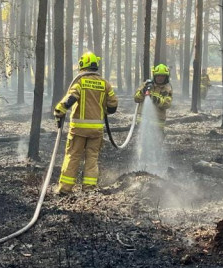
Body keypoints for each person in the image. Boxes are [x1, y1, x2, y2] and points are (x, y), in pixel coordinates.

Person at [53, 52, 118, 195]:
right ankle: (88, 189)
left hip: (79, 130)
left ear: (82, 65)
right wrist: (104, 110)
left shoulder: (80, 82)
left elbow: (71, 98)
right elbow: (113, 105)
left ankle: (65, 189)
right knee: (92, 157)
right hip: (96, 131)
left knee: (73, 156)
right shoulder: (105, 84)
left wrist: (59, 110)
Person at [134, 63, 173, 131]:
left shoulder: (167, 89)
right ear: (154, 76)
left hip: (157, 123)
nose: (160, 78)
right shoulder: (146, 84)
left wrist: (157, 100)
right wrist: (143, 91)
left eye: (162, 76)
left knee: (157, 141)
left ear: (166, 77)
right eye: (158, 76)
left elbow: (167, 104)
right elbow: (136, 98)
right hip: (143, 121)